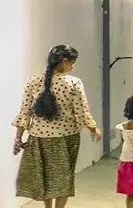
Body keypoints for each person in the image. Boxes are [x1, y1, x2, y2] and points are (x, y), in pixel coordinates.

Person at [13, 45, 102, 207]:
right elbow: (82, 112)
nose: (73, 66)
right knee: (63, 179)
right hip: (65, 138)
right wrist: (93, 128)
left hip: (39, 139)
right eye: (72, 62)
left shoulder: (33, 81)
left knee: (45, 177)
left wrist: (18, 138)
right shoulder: (74, 83)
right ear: (64, 62)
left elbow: (25, 112)